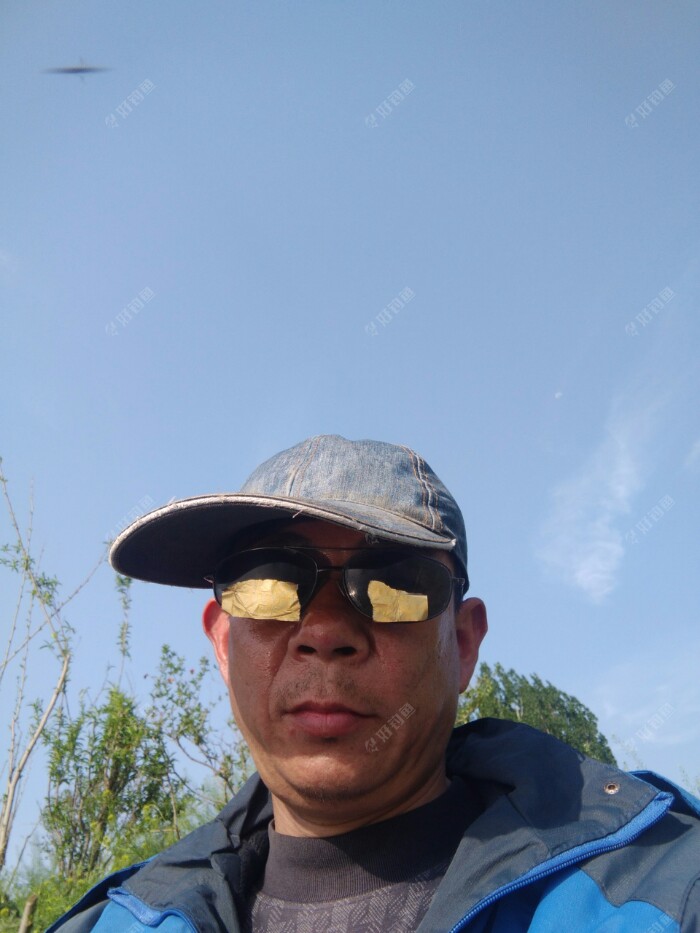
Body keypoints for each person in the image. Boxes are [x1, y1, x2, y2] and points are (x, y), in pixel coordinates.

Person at [51, 435, 700, 933]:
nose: (325, 629)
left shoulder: (668, 892)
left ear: (463, 644)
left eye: (394, 586)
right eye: (269, 582)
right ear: (223, 642)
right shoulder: (113, 923)